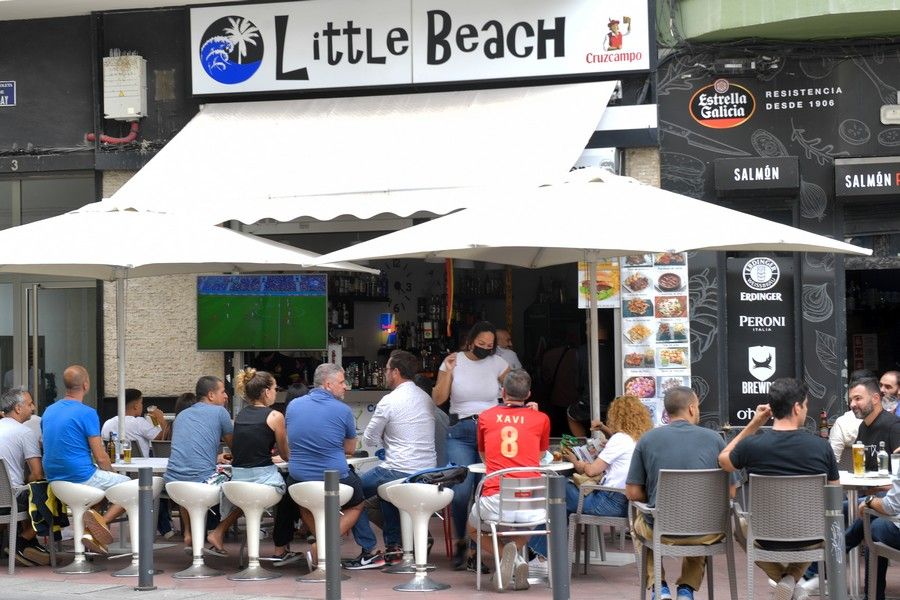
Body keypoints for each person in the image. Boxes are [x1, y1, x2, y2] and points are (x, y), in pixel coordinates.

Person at [529, 394, 652, 571]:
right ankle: (539, 556)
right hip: (630, 504)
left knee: (558, 486)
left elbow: (592, 470)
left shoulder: (620, 440)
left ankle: (536, 555)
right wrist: (603, 428)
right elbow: (616, 440)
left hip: (608, 502)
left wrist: (575, 460)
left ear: (616, 416)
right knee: (560, 505)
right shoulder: (640, 439)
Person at [626, 386, 725, 600]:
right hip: (707, 531)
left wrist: (654, 501)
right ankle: (686, 590)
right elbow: (732, 491)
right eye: (698, 407)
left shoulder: (647, 439)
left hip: (662, 529)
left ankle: (658, 587)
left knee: (639, 521)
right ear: (691, 408)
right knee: (702, 515)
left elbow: (633, 493)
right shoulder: (715, 439)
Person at [432, 320, 510, 569]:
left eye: (490, 345)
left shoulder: (498, 364)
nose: (486, 348)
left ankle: (476, 549)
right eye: (481, 344)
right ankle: (461, 542)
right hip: (461, 430)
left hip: (491, 430)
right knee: (461, 490)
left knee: (485, 490)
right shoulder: (453, 360)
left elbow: (514, 393)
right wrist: (449, 371)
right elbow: (438, 398)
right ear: (470, 341)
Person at [281, 363, 374, 568]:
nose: (346, 387)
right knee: (358, 503)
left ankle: (321, 547)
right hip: (334, 477)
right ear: (328, 384)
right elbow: (350, 448)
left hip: (299, 479)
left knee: (304, 504)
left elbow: (292, 439)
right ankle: (323, 546)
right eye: (342, 382)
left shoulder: (293, 406)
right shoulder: (342, 410)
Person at [348, 350, 436, 567]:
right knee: (386, 492)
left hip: (398, 469)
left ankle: (370, 549)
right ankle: (399, 543)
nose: (385, 373)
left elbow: (369, 439)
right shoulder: (426, 398)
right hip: (427, 471)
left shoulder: (389, 400)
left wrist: (387, 440)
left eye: (387, 369)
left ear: (395, 372)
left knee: (352, 492)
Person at [468, 369, 549, 591]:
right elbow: (541, 455)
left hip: (496, 498)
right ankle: (516, 558)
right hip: (531, 502)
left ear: (502, 392)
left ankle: (507, 556)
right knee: (534, 520)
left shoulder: (485, 417)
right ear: (529, 394)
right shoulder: (541, 418)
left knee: (473, 529)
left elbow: (484, 456)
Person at [41, 365, 129, 554]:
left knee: (98, 490)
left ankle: (90, 534)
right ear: (86, 385)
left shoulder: (48, 411)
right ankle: (98, 527)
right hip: (80, 476)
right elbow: (101, 457)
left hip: (55, 480)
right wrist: (113, 477)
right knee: (132, 487)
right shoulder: (87, 413)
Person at [164, 375, 235, 555]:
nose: (226, 396)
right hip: (203, 484)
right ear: (211, 395)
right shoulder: (220, 412)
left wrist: (214, 456)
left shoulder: (181, 415)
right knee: (241, 485)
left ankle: (188, 533)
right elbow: (235, 446)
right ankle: (216, 532)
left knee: (185, 482)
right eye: (222, 392)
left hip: (173, 484)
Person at [0, 387, 51, 566]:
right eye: (30, 404)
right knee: (50, 492)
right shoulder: (24, 432)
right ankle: (23, 541)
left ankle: (27, 544)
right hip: (10, 499)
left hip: (4, 497)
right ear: (18, 409)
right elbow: (37, 474)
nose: (34, 408)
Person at [850, 376, 900, 472]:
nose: (852, 404)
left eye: (857, 398)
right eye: (851, 400)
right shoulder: (863, 427)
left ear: (875, 398)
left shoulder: (894, 426)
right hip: (866, 485)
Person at [100, 388, 167, 458]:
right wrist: (161, 418)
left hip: (116, 466)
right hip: (139, 467)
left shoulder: (107, 423)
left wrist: (154, 420)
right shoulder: (139, 422)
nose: (142, 406)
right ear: (136, 406)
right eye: (141, 403)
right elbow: (160, 439)